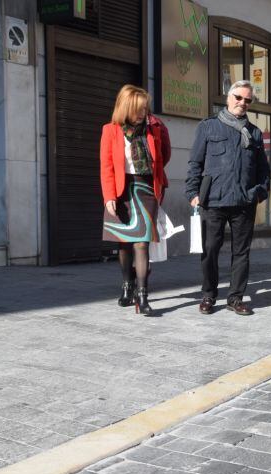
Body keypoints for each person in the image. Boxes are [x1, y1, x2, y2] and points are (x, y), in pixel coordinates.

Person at [185, 80, 270, 315]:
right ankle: (209, 295)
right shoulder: (208, 127)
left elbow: (263, 170)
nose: (242, 103)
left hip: (244, 202)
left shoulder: (254, 132)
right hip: (213, 200)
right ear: (228, 97)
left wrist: (258, 193)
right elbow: (195, 163)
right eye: (238, 97)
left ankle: (235, 298)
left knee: (241, 253)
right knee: (210, 249)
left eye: (247, 100)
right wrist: (192, 193)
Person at [100, 84, 170, 316]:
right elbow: (106, 166)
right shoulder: (110, 130)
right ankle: (127, 286)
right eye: (138, 109)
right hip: (121, 191)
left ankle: (143, 296)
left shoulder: (154, 128)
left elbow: (165, 155)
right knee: (124, 243)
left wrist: (156, 177)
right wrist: (109, 196)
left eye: (145, 108)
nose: (142, 113)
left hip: (146, 188)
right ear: (126, 107)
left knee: (142, 243)